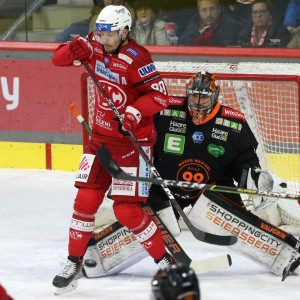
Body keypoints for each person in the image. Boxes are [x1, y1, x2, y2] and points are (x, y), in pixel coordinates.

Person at [82, 71, 300, 279]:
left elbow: (245, 161)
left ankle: (285, 254)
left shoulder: (234, 123)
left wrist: (254, 177)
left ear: (215, 97)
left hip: (212, 187)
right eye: (194, 95)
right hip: (164, 184)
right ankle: (95, 256)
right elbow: (140, 137)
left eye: (204, 97)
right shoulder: (165, 110)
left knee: (233, 220)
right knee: (150, 219)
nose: (197, 101)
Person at [51, 4, 174, 295]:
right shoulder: (92, 46)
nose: (104, 39)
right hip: (101, 141)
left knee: (127, 211)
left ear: (125, 31)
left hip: (132, 144)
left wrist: (133, 113)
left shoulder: (137, 58)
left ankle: (165, 261)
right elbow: (56, 59)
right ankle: (73, 264)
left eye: (110, 34)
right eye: (101, 32)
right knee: (85, 200)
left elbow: (160, 96)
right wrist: (73, 49)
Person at [55, 0, 135, 43]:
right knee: (63, 38)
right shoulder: (98, 12)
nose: (110, 2)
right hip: (90, 26)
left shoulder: (129, 14)